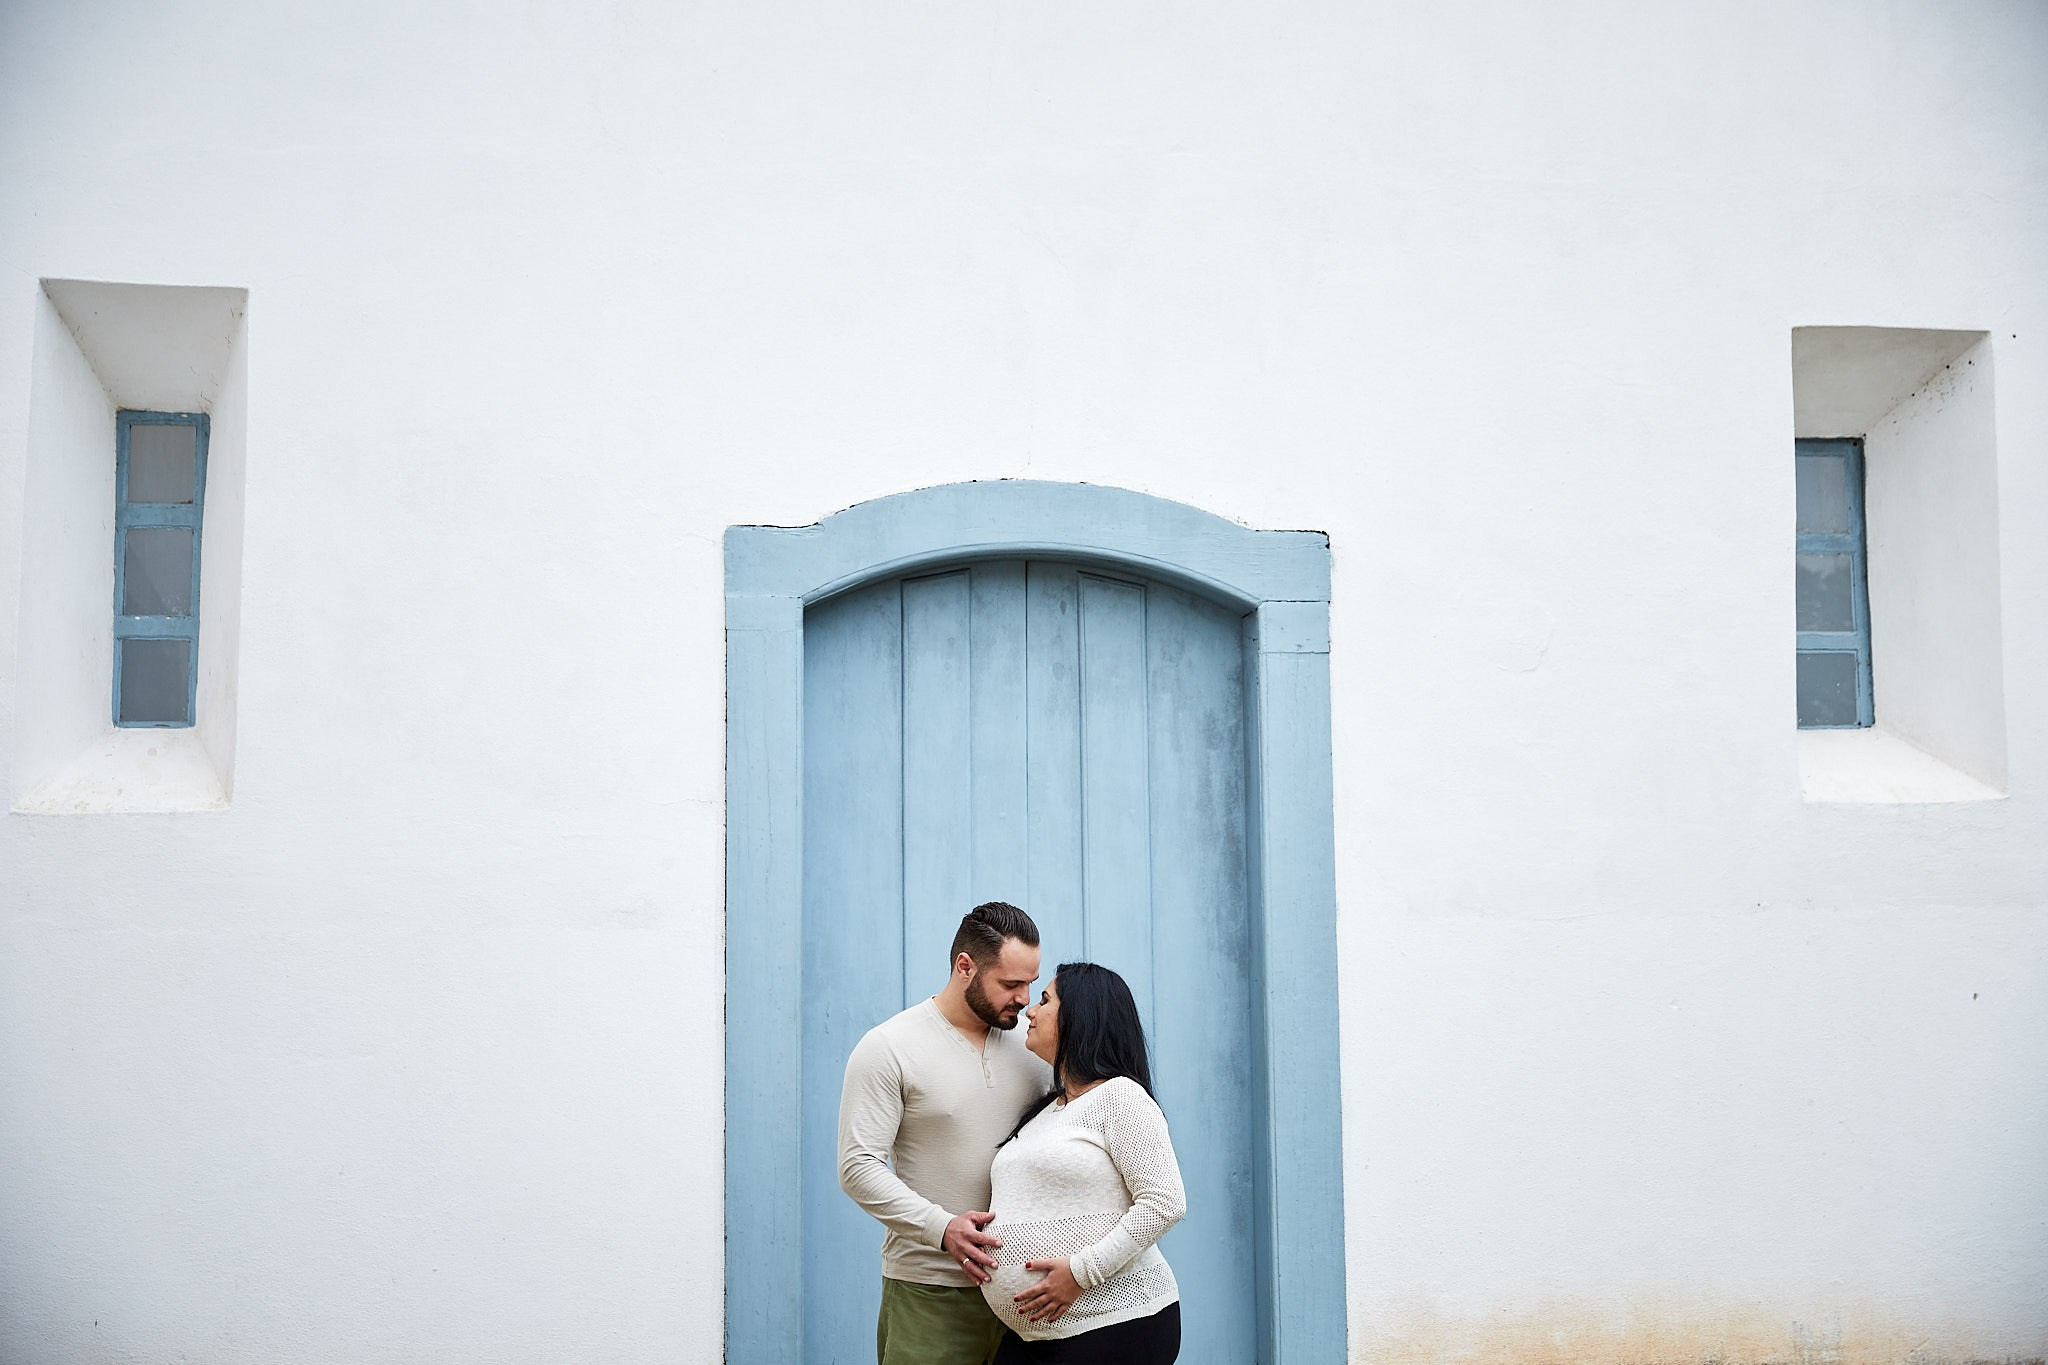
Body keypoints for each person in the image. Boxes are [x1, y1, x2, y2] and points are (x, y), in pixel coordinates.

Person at [839, 901, 1055, 1365]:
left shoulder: (1033, 1045)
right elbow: (858, 1166)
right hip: (931, 1291)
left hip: (1028, 1298)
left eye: (1031, 984)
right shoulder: (890, 1047)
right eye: (1011, 984)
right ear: (965, 967)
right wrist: (942, 1229)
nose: (1023, 999)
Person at [981, 962, 1186, 1364]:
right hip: (1035, 1333)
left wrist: (1080, 1273)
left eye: (1044, 1000)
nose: (1030, 1011)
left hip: (1114, 1324)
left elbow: (1165, 1202)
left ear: (1082, 1014)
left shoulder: (1120, 1098)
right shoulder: (1046, 1111)